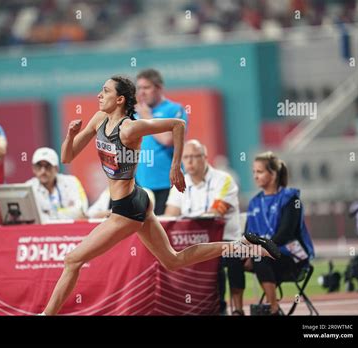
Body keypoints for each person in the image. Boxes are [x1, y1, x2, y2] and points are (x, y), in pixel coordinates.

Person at [39, 75, 280, 315]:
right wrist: (71, 134)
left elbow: (178, 125)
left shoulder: (131, 127)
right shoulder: (99, 119)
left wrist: (176, 167)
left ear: (120, 99)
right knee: (173, 260)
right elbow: (67, 157)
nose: (99, 95)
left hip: (126, 210)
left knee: (72, 260)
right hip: (136, 198)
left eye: (105, 91)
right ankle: (241, 245)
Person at [164, 139, 245, 315]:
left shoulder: (224, 180)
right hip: (193, 242)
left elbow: (217, 212)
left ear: (205, 158)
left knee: (223, 259)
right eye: (186, 158)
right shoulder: (180, 183)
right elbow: (170, 214)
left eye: (194, 156)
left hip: (227, 241)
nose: (190, 161)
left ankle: (230, 309)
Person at [245, 151, 315, 315]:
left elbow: (285, 235)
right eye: (254, 172)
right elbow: (247, 235)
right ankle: (236, 310)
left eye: (260, 172)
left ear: (274, 174)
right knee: (231, 258)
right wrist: (243, 252)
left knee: (259, 254)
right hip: (264, 256)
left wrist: (259, 249)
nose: (255, 176)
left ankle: (273, 308)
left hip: (293, 255)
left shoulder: (291, 199)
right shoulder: (254, 202)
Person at [134, 69, 188, 215]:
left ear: (159, 88)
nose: (142, 92)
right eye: (139, 88)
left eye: (146, 87)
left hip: (167, 183)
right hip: (140, 184)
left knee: (164, 230)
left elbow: (168, 140)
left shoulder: (174, 110)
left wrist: (147, 118)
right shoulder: (134, 114)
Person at [26, 147, 88, 221]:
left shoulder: (71, 182)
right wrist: (67, 212)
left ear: (56, 169)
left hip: (69, 229)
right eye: (39, 166)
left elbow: (81, 210)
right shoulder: (28, 187)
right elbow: (29, 217)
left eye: (47, 166)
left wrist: (49, 214)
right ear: (33, 169)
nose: (43, 171)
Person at [86, 186, 155, 219]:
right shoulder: (107, 193)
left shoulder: (144, 193)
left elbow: (142, 214)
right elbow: (90, 213)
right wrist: (108, 213)